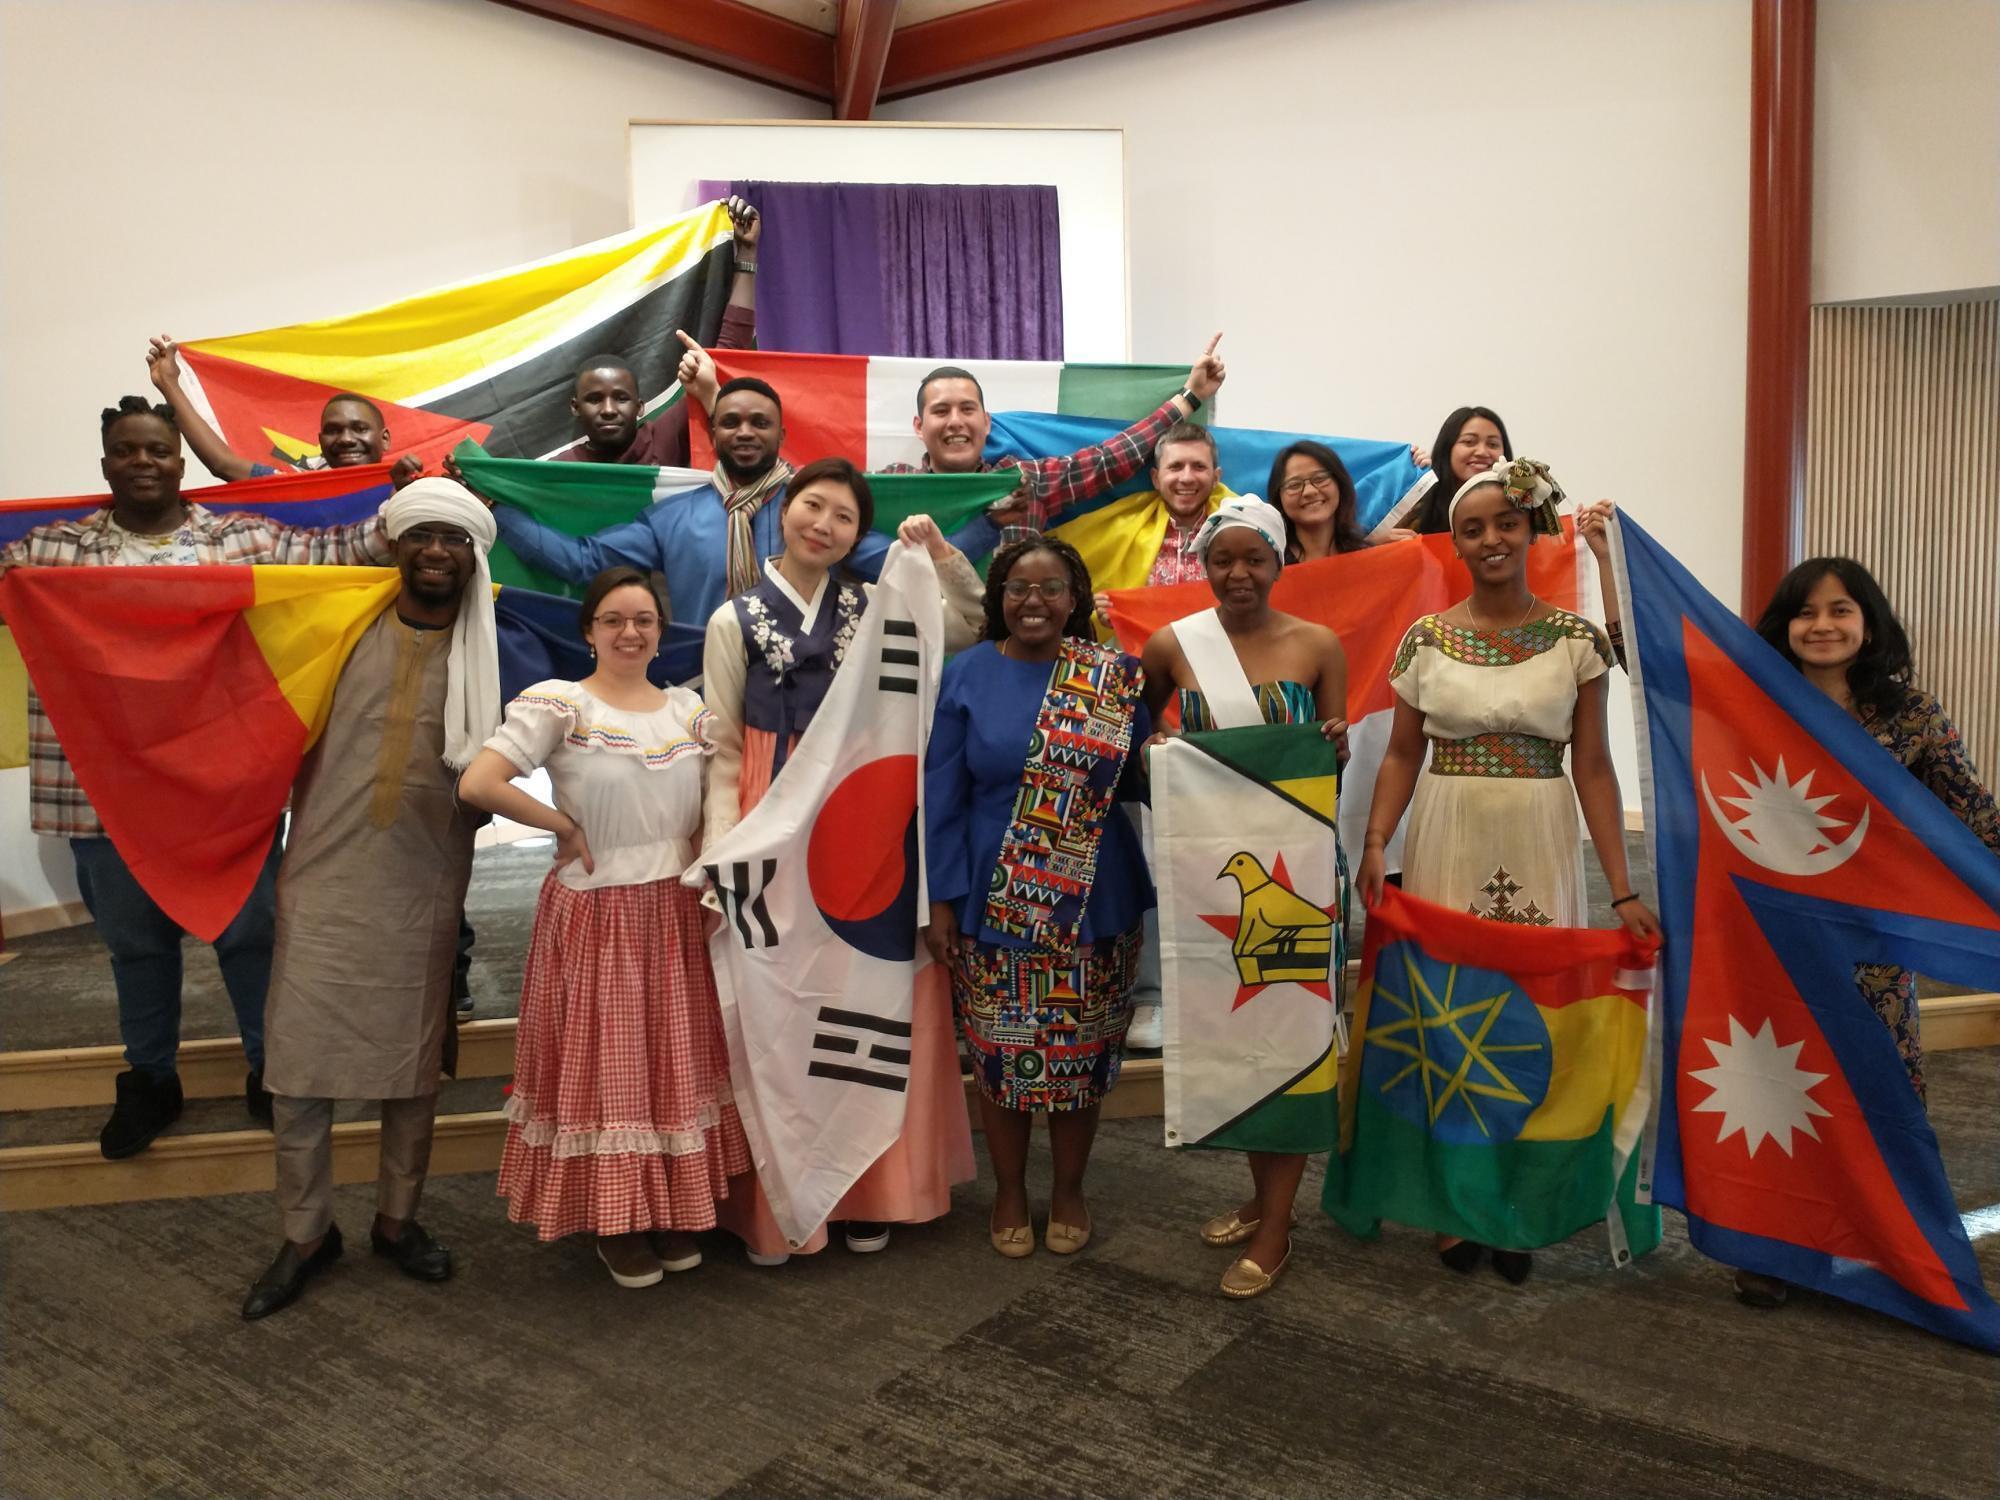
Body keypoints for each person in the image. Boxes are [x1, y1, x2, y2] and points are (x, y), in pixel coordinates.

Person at [0, 397, 396, 1159]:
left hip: (222, 789)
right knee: (137, 948)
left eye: (157, 450)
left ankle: (268, 1068)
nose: (143, 462)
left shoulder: (239, 538)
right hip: (103, 794)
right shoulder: (52, 554)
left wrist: (407, 504)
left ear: (181, 462)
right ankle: (151, 1080)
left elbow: (342, 550)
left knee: (251, 937)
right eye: (127, 451)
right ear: (106, 462)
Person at [1355, 457, 1660, 1285]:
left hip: (1540, 828)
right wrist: (1378, 841)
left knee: (1533, 1016)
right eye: (1472, 528)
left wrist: (1623, 888)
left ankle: (1517, 1204)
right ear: (1454, 543)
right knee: (1454, 1016)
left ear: (1532, 529)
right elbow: (1402, 755)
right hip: (1446, 829)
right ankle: (1457, 1203)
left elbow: (1594, 766)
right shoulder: (1425, 639)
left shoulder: (1577, 642)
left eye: (1505, 523)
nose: (1490, 539)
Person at [700, 458, 984, 1259]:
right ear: (782, 511)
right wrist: (724, 851)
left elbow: (964, 627)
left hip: (868, 815)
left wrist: (938, 559)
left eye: (844, 517)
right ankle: (782, 1199)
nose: (823, 525)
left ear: (862, 534)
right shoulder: (735, 620)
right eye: (811, 507)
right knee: (779, 999)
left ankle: (871, 1189)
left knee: (869, 987)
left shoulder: (877, 603)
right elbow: (722, 748)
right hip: (772, 818)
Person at [241, 476, 501, 1320]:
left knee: (412, 1069)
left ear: (473, 554)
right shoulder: (335, 629)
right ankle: (307, 1231)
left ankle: (398, 1220)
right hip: (321, 874)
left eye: (454, 537)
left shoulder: (500, 648)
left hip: (424, 881)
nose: (436, 550)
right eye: (421, 533)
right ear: (391, 544)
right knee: (297, 1067)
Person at [458, 567, 753, 1289]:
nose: (630, 632)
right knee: (610, 1063)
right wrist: (559, 824)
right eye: (615, 619)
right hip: (601, 908)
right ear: (589, 630)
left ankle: (665, 1206)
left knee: (670, 1059)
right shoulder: (564, 703)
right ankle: (614, 1221)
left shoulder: (688, 710)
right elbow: (479, 782)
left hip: (677, 906)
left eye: (645, 620)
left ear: (661, 629)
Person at [1725, 557, 2000, 1309]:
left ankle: (1892, 1242)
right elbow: (1654, 672)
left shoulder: (1909, 713)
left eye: (1840, 610)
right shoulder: (1751, 703)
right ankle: (1777, 1248)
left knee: (1881, 1086)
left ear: (1868, 624)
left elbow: (1971, 811)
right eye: (1805, 613)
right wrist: (1606, 563)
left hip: (1874, 937)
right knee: (1778, 1083)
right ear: (1783, 627)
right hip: (1774, 931)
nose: (1822, 626)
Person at [1140, 496, 1349, 1298]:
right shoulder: (1172, 645)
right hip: (1210, 882)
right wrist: (1162, 748)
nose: (1237, 575)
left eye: (1253, 559)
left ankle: (1275, 1226)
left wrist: (1335, 742)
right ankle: (1266, 1197)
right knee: (1236, 1034)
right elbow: (1134, 739)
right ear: (1203, 564)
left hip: (1297, 880)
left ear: (1278, 561)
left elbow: (1332, 769)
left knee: (1287, 1031)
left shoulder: (1319, 645)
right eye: (1221, 559)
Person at [924, 536, 1152, 1259]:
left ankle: (1073, 1188)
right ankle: (1012, 1189)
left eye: (1052, 587)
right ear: (997, 597)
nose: (1034, 601)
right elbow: (941, 799)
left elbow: (1147, 778)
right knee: (1001, 1055)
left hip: (1097, 895)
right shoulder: (964, 676)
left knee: (1081, 1058)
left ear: (1076, 598)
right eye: (1019, 587)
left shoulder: (1114, 677)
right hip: (997, 901)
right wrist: (942, 901)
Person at [881, 335, 1230, 537]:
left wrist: (1190, 396)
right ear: (918, 427)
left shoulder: (1022, 483)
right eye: (941, 411)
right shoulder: (894, 485)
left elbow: (1110, 458)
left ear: (986, 423)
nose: (955, 422)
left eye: (967, 410)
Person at [550, 195, 763, 468]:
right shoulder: (557, 473)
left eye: (621, 398)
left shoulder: (661, 441)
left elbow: (727, 354)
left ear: (640, 407)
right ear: (575, 407)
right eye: (594, 399)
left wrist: (746, 254)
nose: (609, 410)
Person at [146, 341, 423, 488]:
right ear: (321, 441)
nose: (346, 439)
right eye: (334, 430)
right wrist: (169, 384)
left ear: (385, 439)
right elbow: (223, 464)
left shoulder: (411, 485)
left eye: (359, 428)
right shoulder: (299, 486)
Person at [1403, 406, 1513, 535]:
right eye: (1469, 442)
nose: (1482, 452)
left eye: (1493, 444)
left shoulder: (1520, 507)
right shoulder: (1418, 511)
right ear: (1447, 449)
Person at [1268, 441, 1374, 560]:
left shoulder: (1368, 557)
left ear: (1339, 484)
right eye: (1294, 485)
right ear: (1279, 497)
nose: (1309, 491)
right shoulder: (1270, 565)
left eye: (1319, 479)